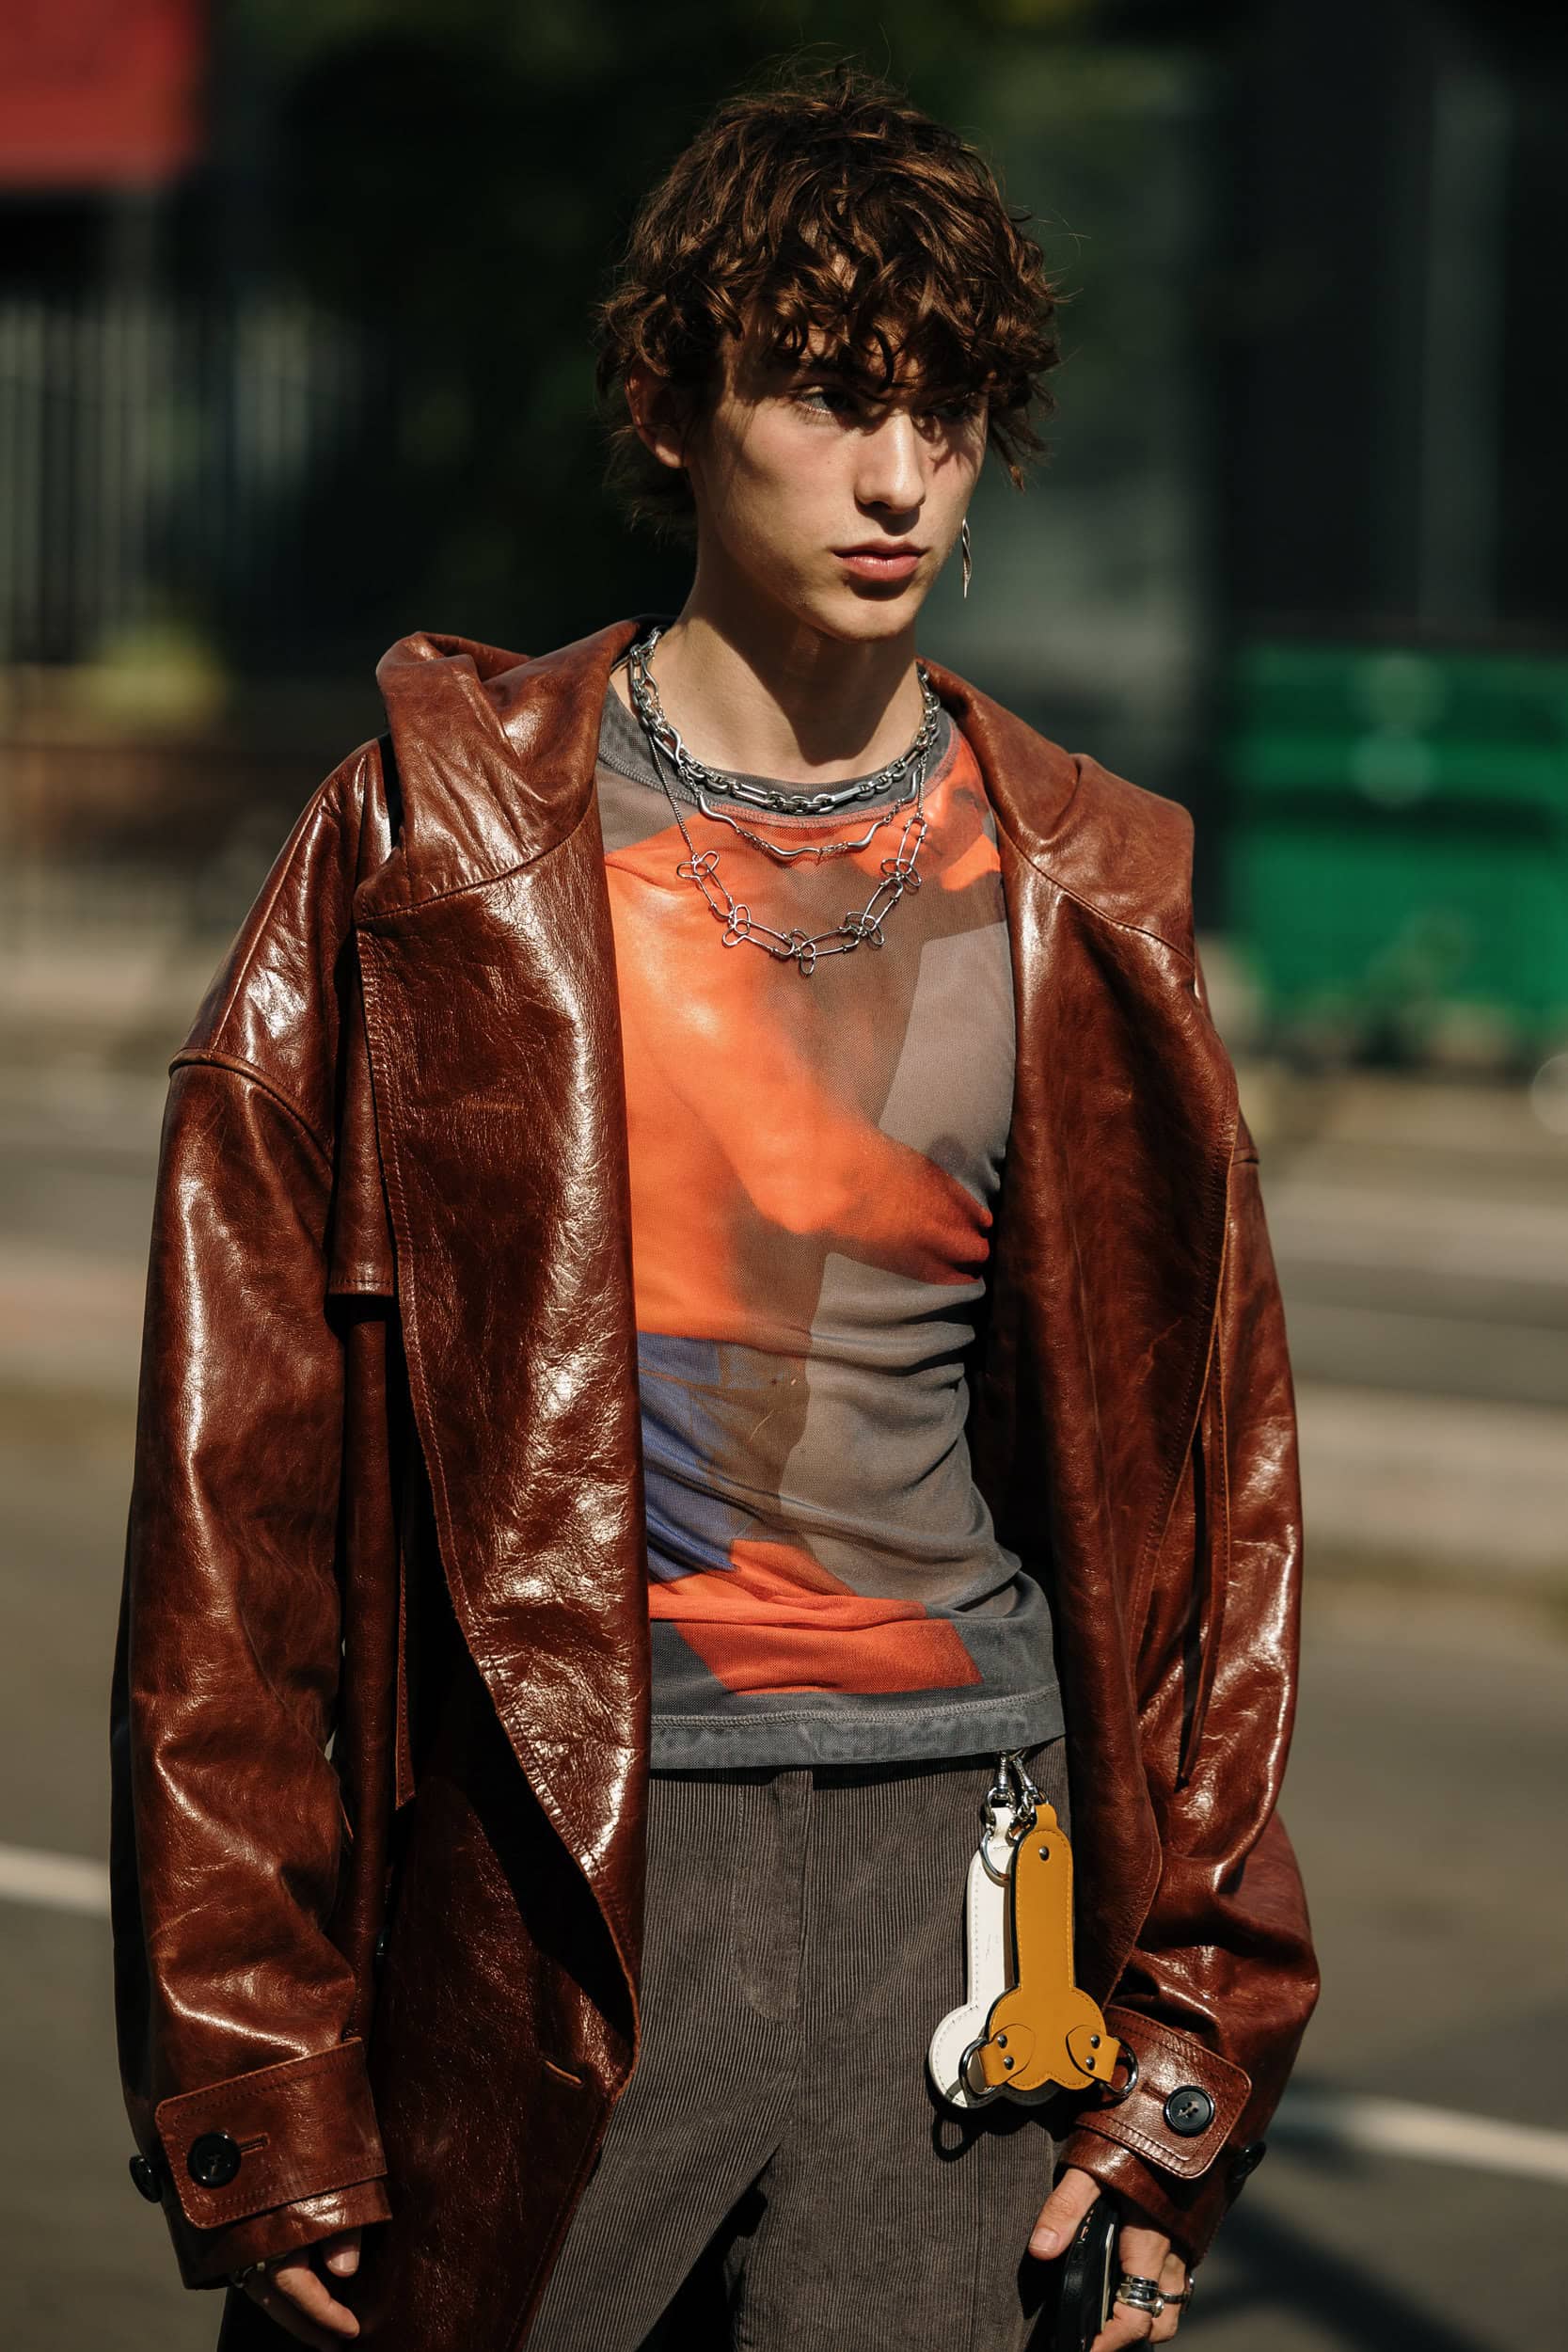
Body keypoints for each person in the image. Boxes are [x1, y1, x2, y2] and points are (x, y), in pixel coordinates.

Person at [109, 55, 1319, 2352]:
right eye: (834, 395)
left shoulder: (1085, 887)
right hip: (553, 1869)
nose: (900, 473)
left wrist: (1189, 2048)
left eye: (947, 408)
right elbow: (232, 1507)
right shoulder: (438, 855)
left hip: (966, 1879)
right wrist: (254, 2050)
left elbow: (1207, 1526)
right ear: (672, 406)